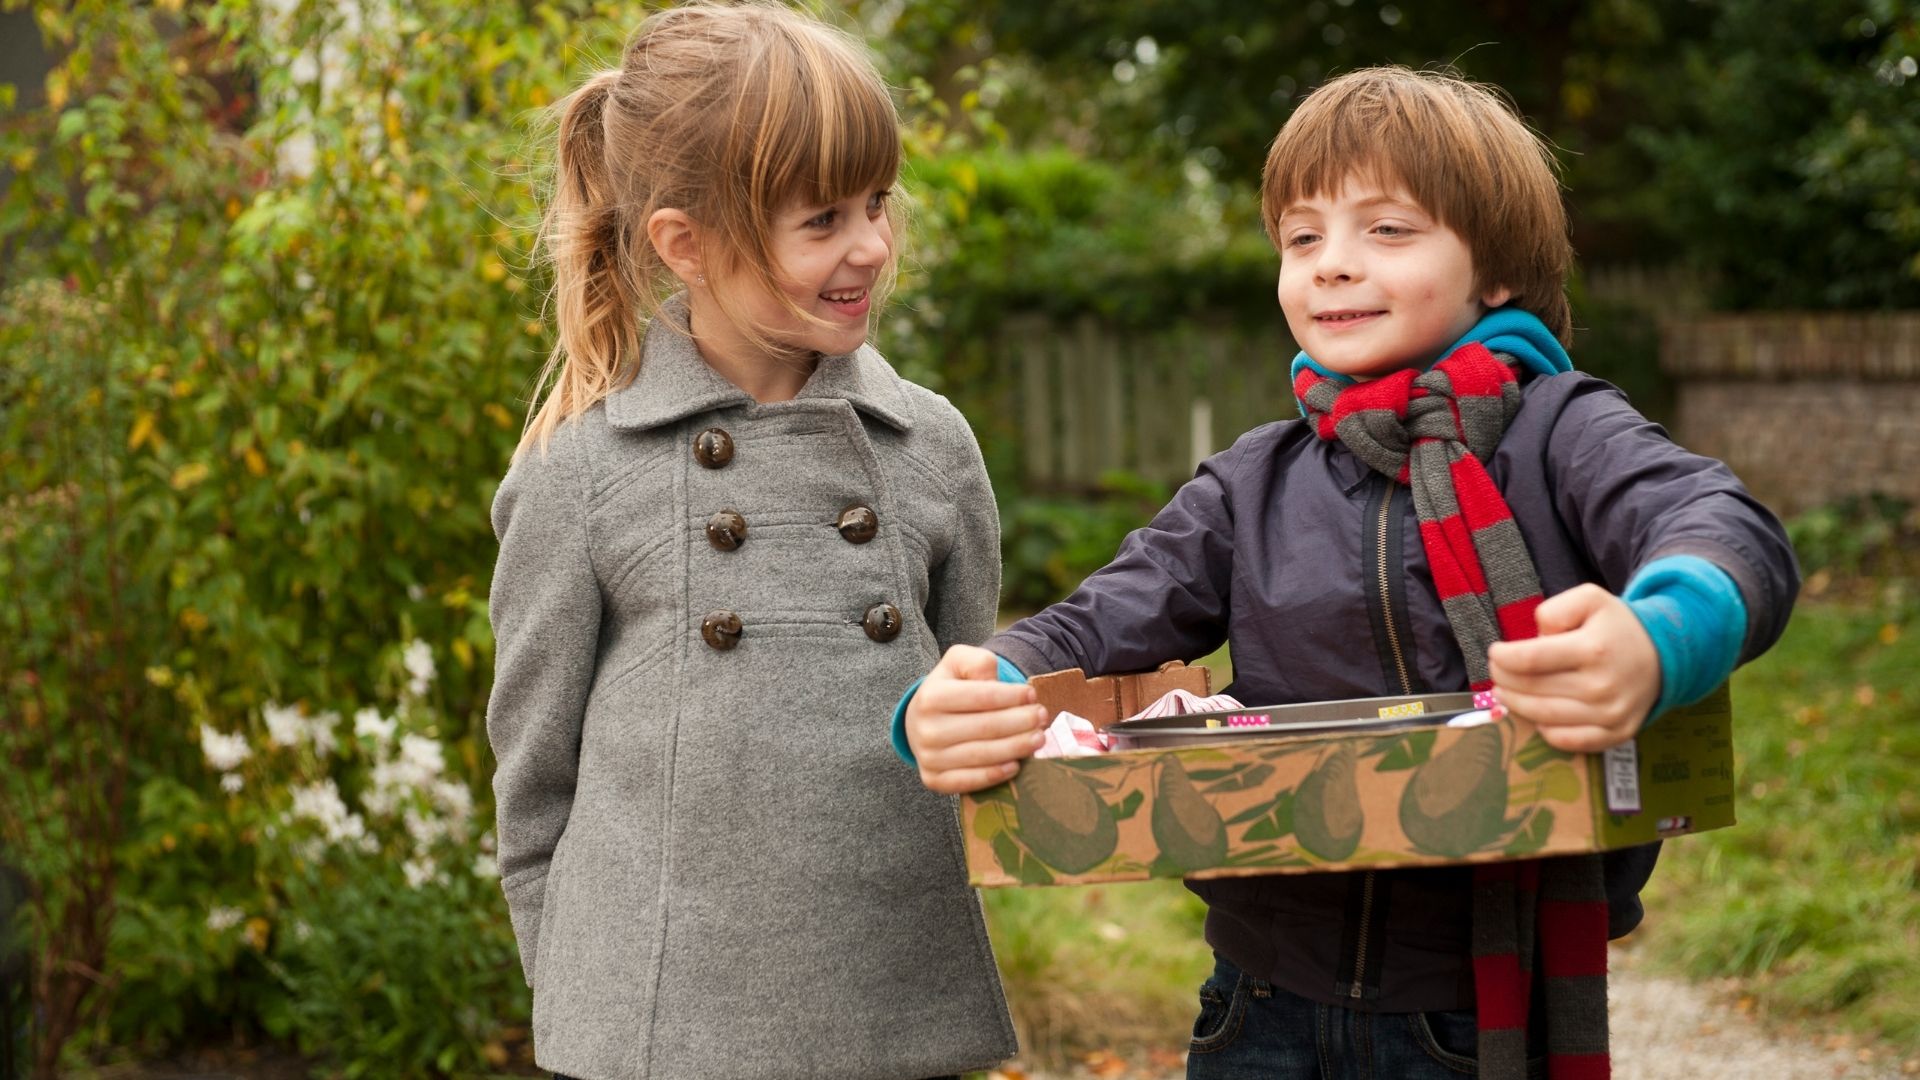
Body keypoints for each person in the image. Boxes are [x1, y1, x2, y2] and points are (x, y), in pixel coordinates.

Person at [896, 66, 1799, 1079]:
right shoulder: (1254, 481)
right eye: (1302, 237)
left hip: (1467, 1019)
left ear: (1493, 271)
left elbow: (1728, 532)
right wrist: (983, 683)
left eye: (1388, 229)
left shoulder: (1563, 432)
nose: (1331, 265)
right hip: (1257, 1007)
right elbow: (1097, 623)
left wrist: (1654, 637)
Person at [485, 5, 1016, 1077]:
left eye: (877, 204)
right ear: (686, 243)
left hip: (895, 1002)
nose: (870, 245)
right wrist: (582, 990)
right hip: (658, 1023)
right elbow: (531, 775)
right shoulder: (581, 471)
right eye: (821, 220)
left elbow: (974, 727)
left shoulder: (931, 448)